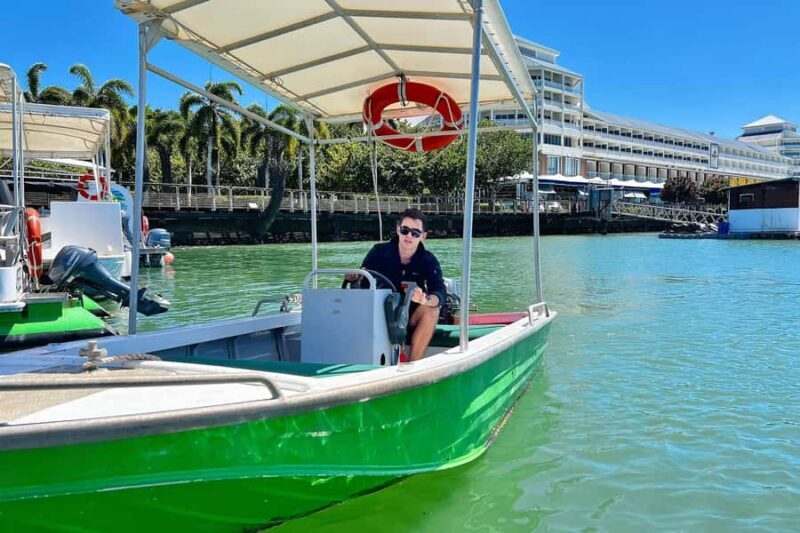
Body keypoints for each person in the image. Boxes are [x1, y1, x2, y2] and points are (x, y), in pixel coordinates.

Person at [347, 208, 446, 361]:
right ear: (398, 229)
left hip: (411, 317)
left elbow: (440, 292)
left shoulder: (428, 260)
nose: (409, 236)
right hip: (380, 314)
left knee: (432, 310)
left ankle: (413, 366)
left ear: (423, 236)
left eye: (415, 233)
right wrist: (356, 276)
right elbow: (364, 276)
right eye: (405, 230)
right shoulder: (378, 252)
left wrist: (424, 300)